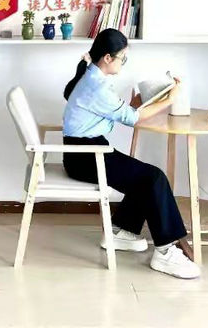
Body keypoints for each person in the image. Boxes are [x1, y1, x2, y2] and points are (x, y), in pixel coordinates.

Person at [62, 28, 200, 279]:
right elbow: (133, 119)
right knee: (153, 177)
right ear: (107, 58)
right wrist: (171, 99)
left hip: (87, 150)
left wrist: (136, 104)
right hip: (86, 156)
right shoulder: (96, 86)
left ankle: (122, 231)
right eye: (122, 58)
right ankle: (165, 251)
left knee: (144, 177)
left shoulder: (94, 78)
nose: (123, 62)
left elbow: (120, 112)